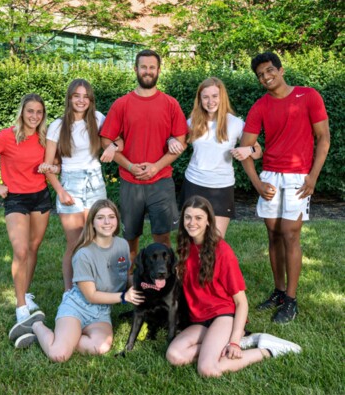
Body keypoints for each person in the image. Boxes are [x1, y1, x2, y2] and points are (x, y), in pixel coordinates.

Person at [166, 196, 302, 378]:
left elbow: (241, 302)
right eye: (188, 217)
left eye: (198, 218)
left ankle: (267, 350)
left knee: (208, 369)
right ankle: (224, 344)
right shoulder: (185, 247)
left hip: (223, 316)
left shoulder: (222, 252)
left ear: (208, 221)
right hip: (200, 319)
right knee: (174, 355)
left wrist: (235, 342)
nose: (192, 223)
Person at [240, 52, 330, 324]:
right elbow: (245, 149)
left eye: (269, 71)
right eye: (260, 75)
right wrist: (257, 183)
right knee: (273, 235)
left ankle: (291, 300)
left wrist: (313, 177)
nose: (266, 77)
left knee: (290, 235)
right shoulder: (260, 106)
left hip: (298, 177)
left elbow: (323, 139)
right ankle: (279, 292)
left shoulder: (309, 96)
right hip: (270, 176)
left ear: (281, 70)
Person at [9, 199, 145, 360]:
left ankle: (66, 339)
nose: (107, 222)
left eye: (111, 216)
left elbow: (125, 276)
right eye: (100, 217)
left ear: (117, 219)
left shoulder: (122, 245)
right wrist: (124, 297)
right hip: (77, 307)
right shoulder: (84, 254)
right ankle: (36, 326)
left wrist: (140, 286)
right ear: (92, 223)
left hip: (101, 312)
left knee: (100, 347)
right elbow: (91, 295)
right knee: (59, 355)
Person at [0, 94, 53, 329]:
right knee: (20, 250)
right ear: (22, 112)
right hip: (15, 199)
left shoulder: (44, 137)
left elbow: (53, 164)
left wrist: (52, 166)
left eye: (39, 112)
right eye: (30, 111)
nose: (34, 116)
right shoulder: (7, 136)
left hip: (40, 197)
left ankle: (26, 293)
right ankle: (20, 307)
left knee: (34, 248)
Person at [100, 49, 188, 265]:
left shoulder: (170, 104)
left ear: (158, 70)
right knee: (130, 238)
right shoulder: (122, 104)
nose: (147, 71)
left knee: (163, 237)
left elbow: (181, 142)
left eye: (152, 67)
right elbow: (106, 141)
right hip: (131, 183)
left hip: (161, 181)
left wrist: (156, 167)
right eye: (143, 67)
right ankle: (130, 280)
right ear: (135, 69)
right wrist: (130, 166)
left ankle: (164, 281)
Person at [40, 79, 118, 291]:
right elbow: (47, 166)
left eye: (85, 96)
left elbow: (120, 136)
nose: (81, 100)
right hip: (70, 184)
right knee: (75, 243)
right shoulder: (58, 125)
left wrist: (114, 147)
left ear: (90, 99)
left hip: (95, 182)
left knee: (96, 239)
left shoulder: (98, 118)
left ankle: (94, 288)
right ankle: (70, 291)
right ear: (70, 98)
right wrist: (60, 191)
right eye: (77, 96)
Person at [168, 77, 262, 237]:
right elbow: (177, 140)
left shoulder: (236, 123)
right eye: (205, 97)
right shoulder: (192, 122)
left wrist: (248, 149)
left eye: (214, 96)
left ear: (222, 97)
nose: (210, 101)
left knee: (216, 240)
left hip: (222, 187)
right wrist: (170, 140)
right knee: (192, 238)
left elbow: (258, 151)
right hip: (194, 184)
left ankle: (212, 264)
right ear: (200, 99)